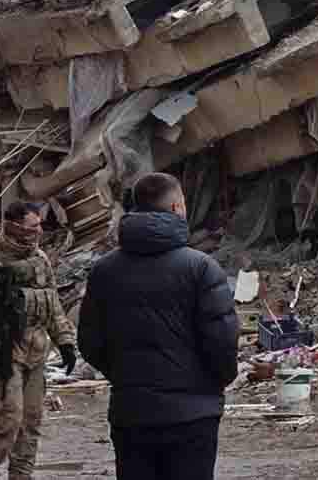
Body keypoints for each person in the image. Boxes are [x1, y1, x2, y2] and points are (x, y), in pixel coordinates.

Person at [79, 173, 238, 480]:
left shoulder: (104, 270)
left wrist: (127, 376)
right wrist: (212, 384)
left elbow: (89, 341)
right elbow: (222, 341)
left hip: (132, 413)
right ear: (178, 207)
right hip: (192, 415)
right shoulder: (201, 267)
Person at [0, 202, 76, 480]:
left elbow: (52, 304)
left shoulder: (41, 259)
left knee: (30, 424)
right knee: (7, 423)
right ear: (13, 225)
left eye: (39, 225)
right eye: (32, 225)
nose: (38, 231)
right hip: (3, 354)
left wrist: (65, 342)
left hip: (35, 353)